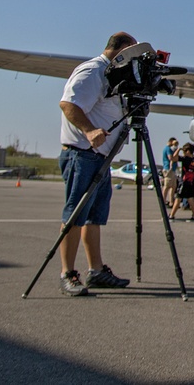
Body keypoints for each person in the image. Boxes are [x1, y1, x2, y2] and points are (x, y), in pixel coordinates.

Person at [56, 31, 136, 296]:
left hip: (101, 157)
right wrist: (90, 131)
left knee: (94, 217)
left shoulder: (113, 76)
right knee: (76, 215)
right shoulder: (93, 71)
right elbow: (68, 104)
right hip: (82, 154)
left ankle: (96, 270)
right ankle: (68, 273)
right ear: (121, 49)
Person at [169, 143, 194, 222]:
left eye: (185, 151)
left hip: (184, 182)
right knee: (190, 198)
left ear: (188, 151)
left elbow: (173, 158)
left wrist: (178, 150)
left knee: (178, 198)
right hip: (191, 182)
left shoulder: (185, 158)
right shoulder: (193, 159)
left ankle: (171, 216)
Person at [161, 137, 179, 206]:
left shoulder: (170, 149)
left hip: (172, 169)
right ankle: (163, 200)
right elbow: (170, 158)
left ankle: (171, 200)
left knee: (173, 186)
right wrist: (175, 158)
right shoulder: (168, 149)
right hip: (168, 169)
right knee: (167, 185)